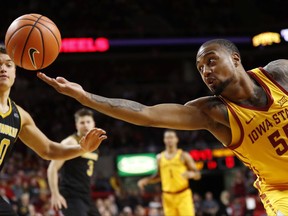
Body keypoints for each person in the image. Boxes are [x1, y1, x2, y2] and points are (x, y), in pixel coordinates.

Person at [38, 38, 288, 215]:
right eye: (200, 68)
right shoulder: (212, 113)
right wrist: (85, 97)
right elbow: (146, 114)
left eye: (211, 61)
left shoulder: (279, 73)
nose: (206, 71)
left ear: (235, 59)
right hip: (280, 191)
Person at [0, 45, 107, 216]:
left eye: (8, 64)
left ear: (15, 72)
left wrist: (83, 149)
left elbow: (48, 149)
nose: (3, 68)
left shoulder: (20, 116)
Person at [47, 108, 100, 216]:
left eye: (88, 122)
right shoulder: (70, 142)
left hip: (86, 195)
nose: (85, 125)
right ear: (76, 125)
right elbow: (52, 168)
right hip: (71, 195)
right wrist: (55, 194)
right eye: (82, 122)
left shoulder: (95, 145)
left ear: (93, 123)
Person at [137, 130, 201, 216]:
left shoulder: (183, 155)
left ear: (176, 139)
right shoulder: (160, 158)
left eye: (171, 137)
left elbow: (198, 174)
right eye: (167, 137)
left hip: (183, 195)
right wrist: (147, 180)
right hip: (167, 197)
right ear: (164, 140)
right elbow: (158, 176)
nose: (169, 140)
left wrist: (191, 174)